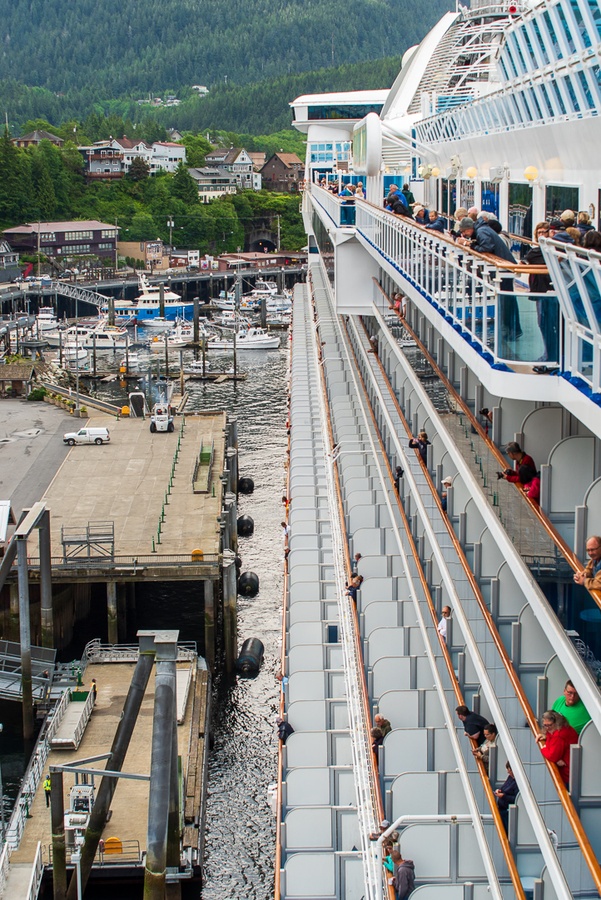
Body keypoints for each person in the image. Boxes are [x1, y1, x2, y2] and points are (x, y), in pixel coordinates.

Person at [536, 710, 578, 786]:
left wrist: (544, 748)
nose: (547, 728)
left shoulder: (559, 735)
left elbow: (552, 756)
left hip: (567, 775)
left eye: (549, 725)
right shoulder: (561, 728)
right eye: (545, 725)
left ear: (556, 723)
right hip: (570, 771)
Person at [495, 761, 518, 832]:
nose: (508, 772)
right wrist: (499, 790)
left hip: (507, 811)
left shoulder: (517, 783)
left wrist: (503, 796)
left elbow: (516, 799)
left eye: (509, 770)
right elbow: (504, 787)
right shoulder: (510, 778)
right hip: (501, 807)